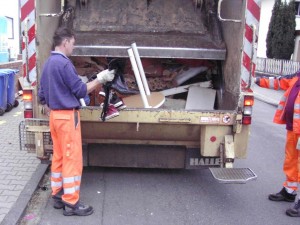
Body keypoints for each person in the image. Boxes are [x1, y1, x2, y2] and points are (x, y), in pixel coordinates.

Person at [38, 27, 115, 216]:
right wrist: (100, 79)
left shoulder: (48, 63)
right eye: (72, 44)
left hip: (55, 117)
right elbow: (81, 90)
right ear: (65, 42)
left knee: (59, 157)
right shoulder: (64, 64)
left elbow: (41, 95)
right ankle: (71, 203)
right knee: (72, 159)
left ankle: (57, 195)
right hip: (67, 117)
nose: (73, 48)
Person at [255, 73, 300, 217]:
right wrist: (257, 80)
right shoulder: (297, 76)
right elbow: (280, 82)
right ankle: (289, 192)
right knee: (291, 160)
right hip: (293, 127)